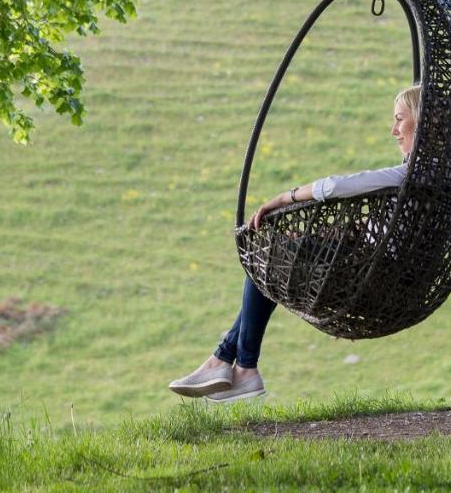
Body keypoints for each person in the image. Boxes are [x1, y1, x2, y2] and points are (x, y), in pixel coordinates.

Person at [167, 85, 420, 402]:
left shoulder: (411, 175)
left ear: (422, 122)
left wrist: (283, 198)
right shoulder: (431, 178)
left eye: (400, 119)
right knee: (280, 252)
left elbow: (338, 186)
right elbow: (380, 234)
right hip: (370, 267)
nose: (393, 130)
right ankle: (223, 362)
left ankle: (242, 366)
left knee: (271, 255)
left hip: (368, 275)